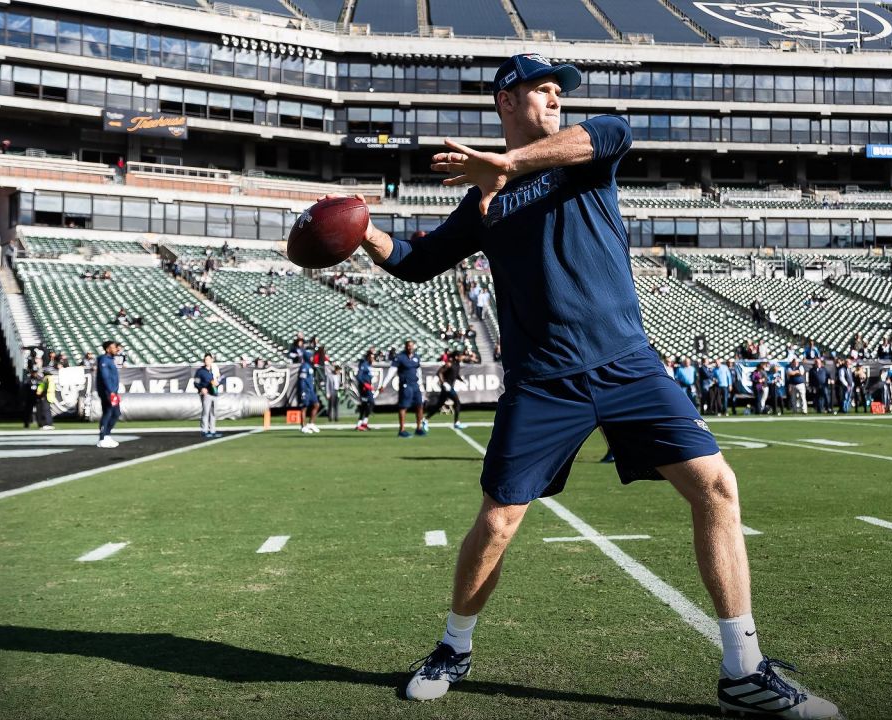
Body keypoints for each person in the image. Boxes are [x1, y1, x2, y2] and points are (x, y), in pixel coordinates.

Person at [348, 52, 838, 717]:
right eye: (539, 91)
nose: (554, 99)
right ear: (505, 102)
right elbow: (416, 263)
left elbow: (611, 130)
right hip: (544, 380)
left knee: (718, 488)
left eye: (558, 91)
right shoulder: (483, 203)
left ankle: (742, 668)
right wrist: (358, 230)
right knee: (497, 521)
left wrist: (508, 165)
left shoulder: (587, 155)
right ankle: (453, 648)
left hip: (629, 366)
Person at [380, 339, 426, 438]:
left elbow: (418, 370)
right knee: (403, 406)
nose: (410, 347)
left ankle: (419, 428)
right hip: (405, 385)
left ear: (414, 346)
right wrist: (384, 384)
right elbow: (391, 371)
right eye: (408, 346)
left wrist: (421, 383)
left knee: (420, 405)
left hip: (415, 384)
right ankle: (402, 429)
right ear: (405, 346)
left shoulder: (416, 357)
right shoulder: (400, 357)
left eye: (411, 346)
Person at [427, 354, 466, 429]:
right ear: (456, 356)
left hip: (449, 387)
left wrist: (462, 380)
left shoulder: (457, 365)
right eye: (461, 356)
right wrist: (443, 383)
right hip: (447, 387)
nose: (463, 357)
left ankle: (426, 419)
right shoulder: (449, 363)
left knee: (439, 405)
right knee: (457, 402)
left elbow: (456, 374)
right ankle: (456, 423)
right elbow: (439, 372)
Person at [96, 340, 122, 448]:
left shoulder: (111, 360)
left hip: (112, 391)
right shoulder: (104, 360)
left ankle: (107, 435)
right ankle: (102, 438)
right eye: (114, 347)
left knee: (116, 413)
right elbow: (105, 377)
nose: (117, 349)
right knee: (108, 412)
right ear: (107, 349)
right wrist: (110, 391)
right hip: (107, 391)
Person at [194, 353, 223, 439]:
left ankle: (213, 430)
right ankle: (204, 430)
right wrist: (201, 388)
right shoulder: (200, 371)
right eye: (206, 359)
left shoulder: (215, 370)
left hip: (215, 393)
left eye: (209, 359)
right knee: (206, 412)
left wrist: (219, 382)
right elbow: (196, 382)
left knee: (213, 413)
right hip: (206, 394)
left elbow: (221, 378)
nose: (207, 361)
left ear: (212, 360)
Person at [297, 348, 322, 434]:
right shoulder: (304, 367)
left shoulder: (310, 366)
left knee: (316, 405)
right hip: (305, 390)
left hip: (311, 390)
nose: (312, 358)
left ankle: (311, 423)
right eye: (311, 357)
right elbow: (302, 380)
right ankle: (303, 426)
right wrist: (302, 391)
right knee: (304, 407)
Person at [356, 351, 376, 431]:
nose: (372, 359)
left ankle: (362, 424)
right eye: (371, 357)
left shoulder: (368, 365)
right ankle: (363, 423)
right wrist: (364, 384)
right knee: (370, 403)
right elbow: (359, 376)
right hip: (364, 388)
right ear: (367, 357)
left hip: (368, 387)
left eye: (373, 357)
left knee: (365, 406)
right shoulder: (364, 364)